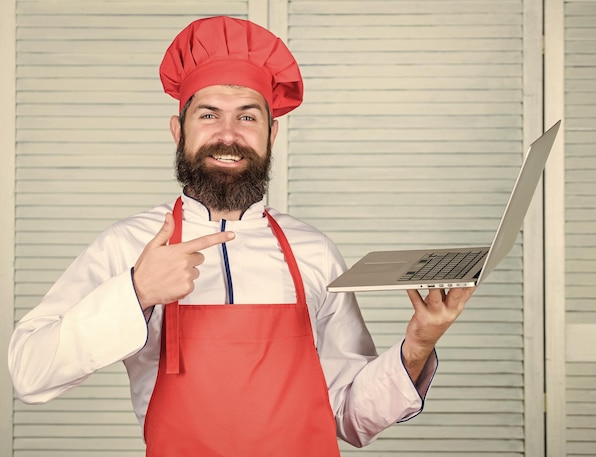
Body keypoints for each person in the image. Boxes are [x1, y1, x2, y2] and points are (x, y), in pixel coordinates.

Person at [8, 16, 475, 456]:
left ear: (273, 134)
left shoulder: (312, 250)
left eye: (248, 118)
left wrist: (418, 345)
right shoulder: (130, 244)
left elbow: (351, 417)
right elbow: (29, 372)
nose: (228, 135)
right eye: (208, 115)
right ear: (179, 131)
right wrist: (137, 291)